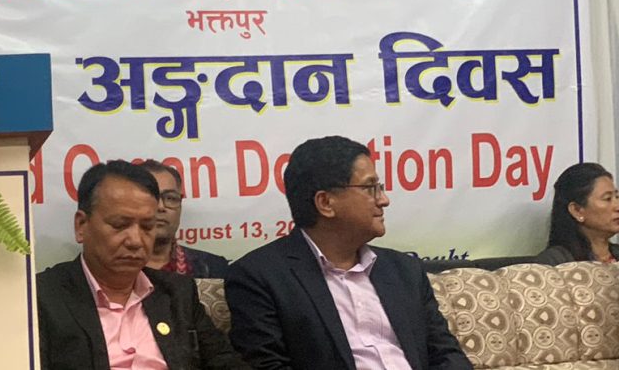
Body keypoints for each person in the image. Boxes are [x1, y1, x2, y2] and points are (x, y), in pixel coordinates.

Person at [225, 136, 470, 370]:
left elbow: (447, 355)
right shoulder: (259, 278)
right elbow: (268, 365)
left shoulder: (404, 271)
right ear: (326, 203)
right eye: (370, 188)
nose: (384, 200)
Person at [36, 160, 247, 370]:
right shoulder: (41, 297)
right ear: (81, 225)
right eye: (120, 225)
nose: (136, 241)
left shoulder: (177, 293)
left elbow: (225, 362)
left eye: (147, 227)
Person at [140, 160, 230, 278]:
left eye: (170, 198)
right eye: (150, 197)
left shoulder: (212, 268)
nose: (160, 207)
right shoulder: (116, 269)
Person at [537, 162, 619, 265]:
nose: (617, 206)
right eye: (607, 198)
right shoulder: (555, 262)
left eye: (617, 197)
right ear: (576, 210)